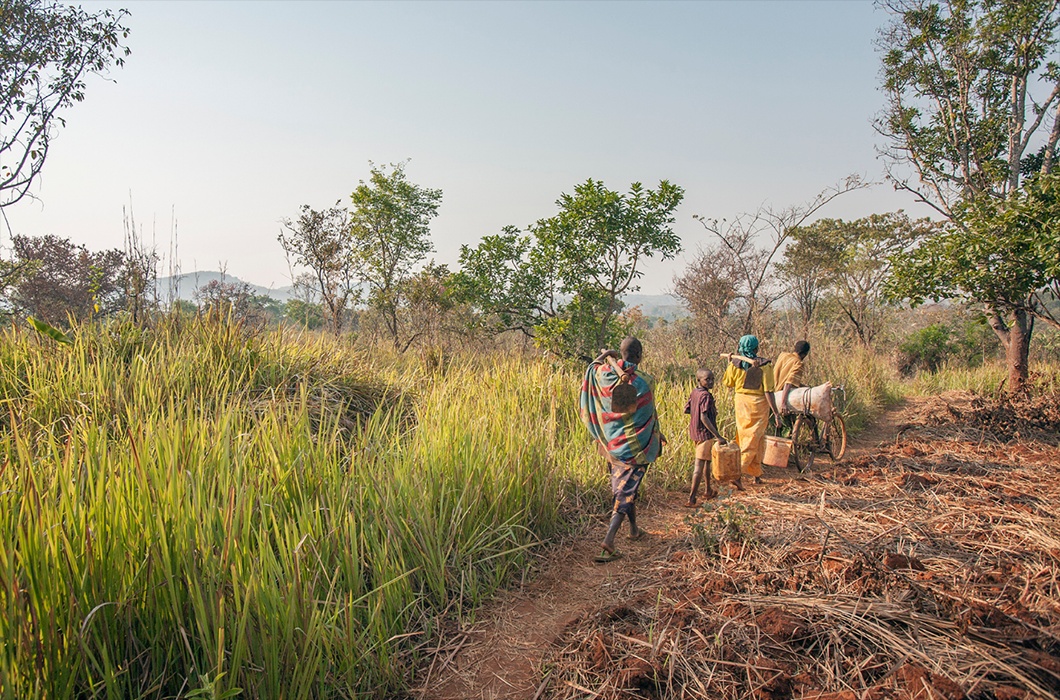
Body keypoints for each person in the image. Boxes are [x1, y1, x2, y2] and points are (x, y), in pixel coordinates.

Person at [580, 336, 665, 563]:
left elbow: (591, 368)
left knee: (628, 488)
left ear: (621, 352)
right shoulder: (645, 382)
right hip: (635, 448)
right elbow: (648, 414)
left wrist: (606, 353)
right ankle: (609, 541)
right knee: (625, 492)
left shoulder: (604, 375)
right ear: (639, 356)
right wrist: (657, 433)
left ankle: (634, 529)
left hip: (612, 444)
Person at [722, 335, 780, 485]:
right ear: (756, 348)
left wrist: (729, 364)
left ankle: (756, 474)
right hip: (759, 405)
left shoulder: (735, 364)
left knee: (750, 438)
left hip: (742, 404)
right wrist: (776, 412)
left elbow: (728, 383)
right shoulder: (765, 365)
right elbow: (768, 391)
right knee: (753, 439)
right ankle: (738, 473)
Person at [683, 368, 727, 506]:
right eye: (707, 379)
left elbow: (688, 409)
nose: (711, 382)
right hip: (704, 433)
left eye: (712, 379)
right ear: (699, 380)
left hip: (696, 432)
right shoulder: (706, 396)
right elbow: (704, 417)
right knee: (699, 465)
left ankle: (708, 490)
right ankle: (691, 499)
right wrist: (718, 436)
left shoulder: (695, 392)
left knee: (707, 462)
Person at [774, 340, 810, 413]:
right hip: (780, 396)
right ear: (804, 354)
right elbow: (788, 383)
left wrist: (805, 387)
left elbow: (783, 378)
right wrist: (783, 403)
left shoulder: (783, 355)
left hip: (771, 393)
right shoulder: (798, 363)